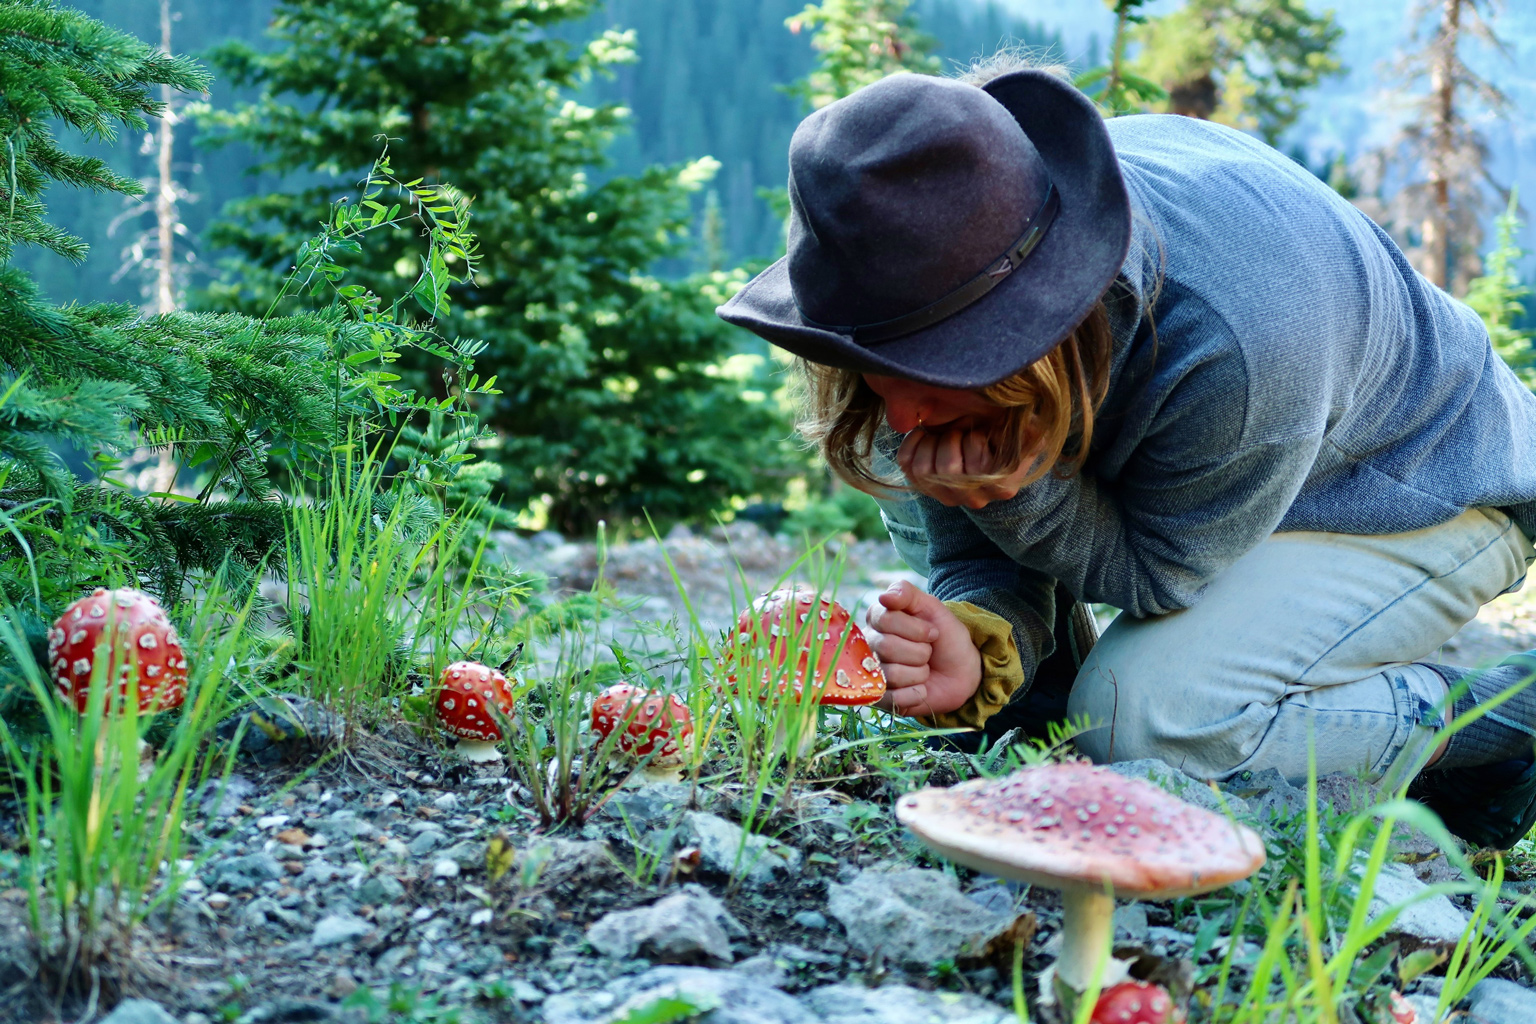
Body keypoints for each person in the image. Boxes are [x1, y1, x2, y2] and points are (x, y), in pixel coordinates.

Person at [716, 57, 1536, 850]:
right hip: (1228, 468)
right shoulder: (966, 229)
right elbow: (988, 534)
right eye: (878, 363)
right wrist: (980, 636)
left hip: (1416, 481)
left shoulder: (1235, 344)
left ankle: (1501, 729)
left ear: (1032, 321)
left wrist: (1020, 492)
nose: (901, 408)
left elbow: (1156, 577)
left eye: (936, 364)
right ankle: (1040, 709)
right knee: (937, 479)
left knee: (1147, 721)